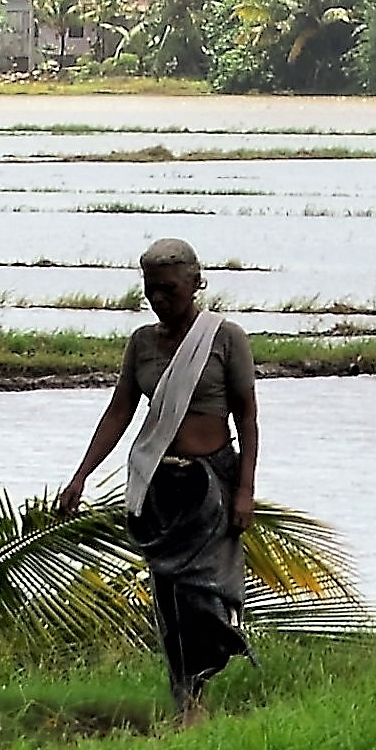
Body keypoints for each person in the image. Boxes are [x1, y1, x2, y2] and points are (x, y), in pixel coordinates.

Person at [63, 236, 263, 722]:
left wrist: (245, 491)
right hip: (159, 486)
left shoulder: (224, 338)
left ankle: (202, 684)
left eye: (169, 289)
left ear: (195, 283)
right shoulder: (142, 345)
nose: (159, 299)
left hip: (211, 484)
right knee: (169, 598)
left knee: (204, 598)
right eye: (151, 290)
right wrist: (81, 475)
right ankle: (186, 699)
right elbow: (119, 412)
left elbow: (247, 415)